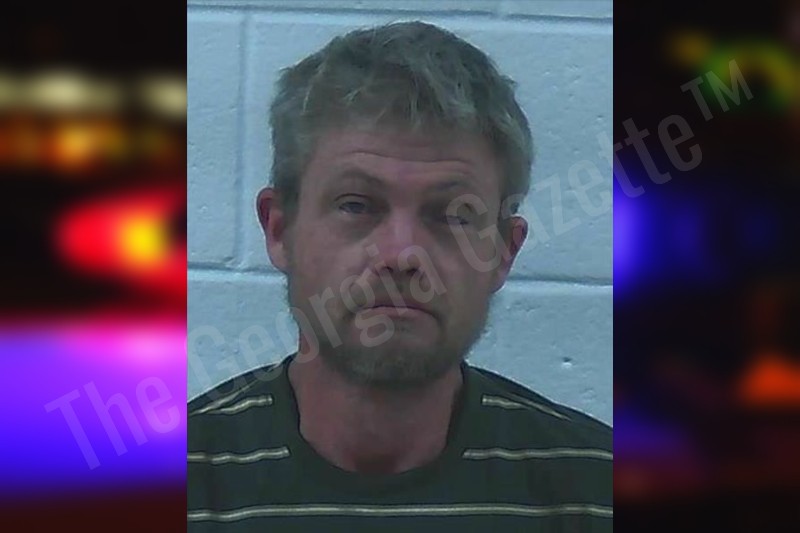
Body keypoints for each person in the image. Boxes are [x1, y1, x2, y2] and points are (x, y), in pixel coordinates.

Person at [188, 21, 612, 532]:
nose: (401, 255)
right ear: (279, 230)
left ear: (504, 251)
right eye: (356, 205)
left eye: (453, 214)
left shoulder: (597, 490)